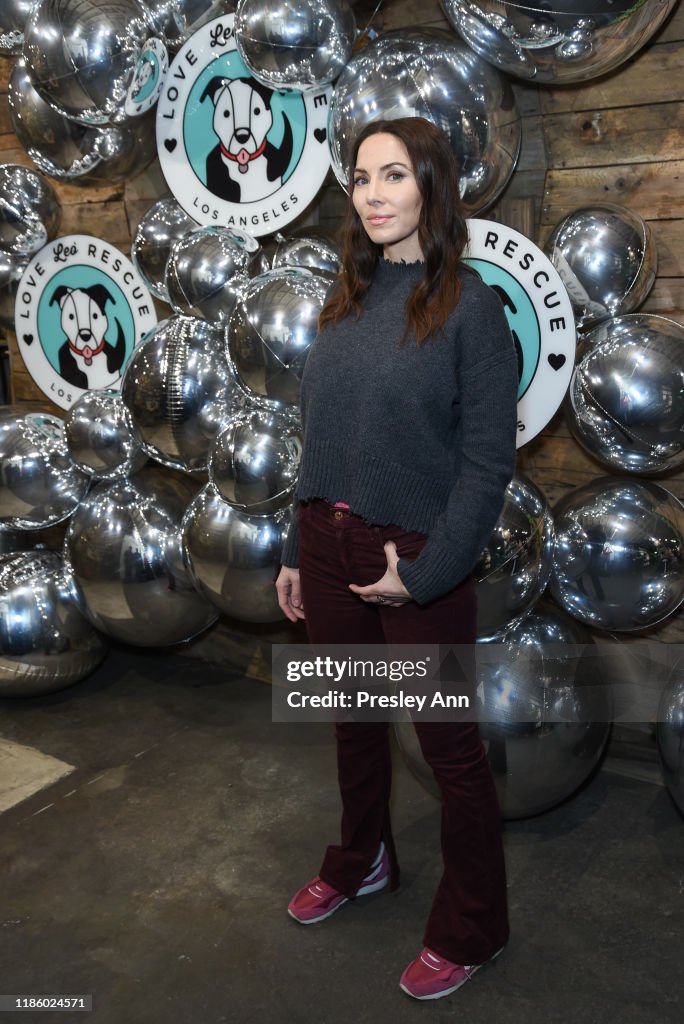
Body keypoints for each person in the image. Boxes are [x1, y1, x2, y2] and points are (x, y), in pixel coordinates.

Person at [274, 116, 519, 1002]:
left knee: (451, 751)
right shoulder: (348, 296)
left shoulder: (472, 306)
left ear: (431, 187)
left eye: (393, 176)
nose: (373, 194)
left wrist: (427, 571)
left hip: (416, 557)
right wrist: (303, 547)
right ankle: (363, 859)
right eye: (361, 178)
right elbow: (323, 433)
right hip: (329, 544)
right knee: (352, 722)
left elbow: (490, 464)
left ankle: (475, 925)